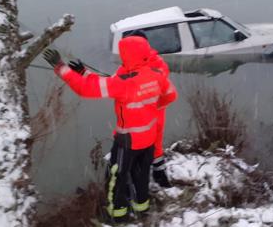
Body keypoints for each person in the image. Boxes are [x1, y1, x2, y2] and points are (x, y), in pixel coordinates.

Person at [42, 36, 177, 222]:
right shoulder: (157, 74)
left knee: (117, 179)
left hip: (127, 142)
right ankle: (143, 210)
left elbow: (86, 89)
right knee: (141, 176)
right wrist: (85, 72)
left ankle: (117, 216)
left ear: (127, 56)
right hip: (149, 139)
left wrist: (60, 67)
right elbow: (170, 96)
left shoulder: (124, 83)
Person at [120, 30, 173, 188]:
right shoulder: (130, 64)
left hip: (151, 111)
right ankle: (145, 176)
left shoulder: (157, 63)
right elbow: (115, 82)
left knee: (154, 141)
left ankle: (157, 174)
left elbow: (160, 85)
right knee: (146, 142)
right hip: (139, 113)